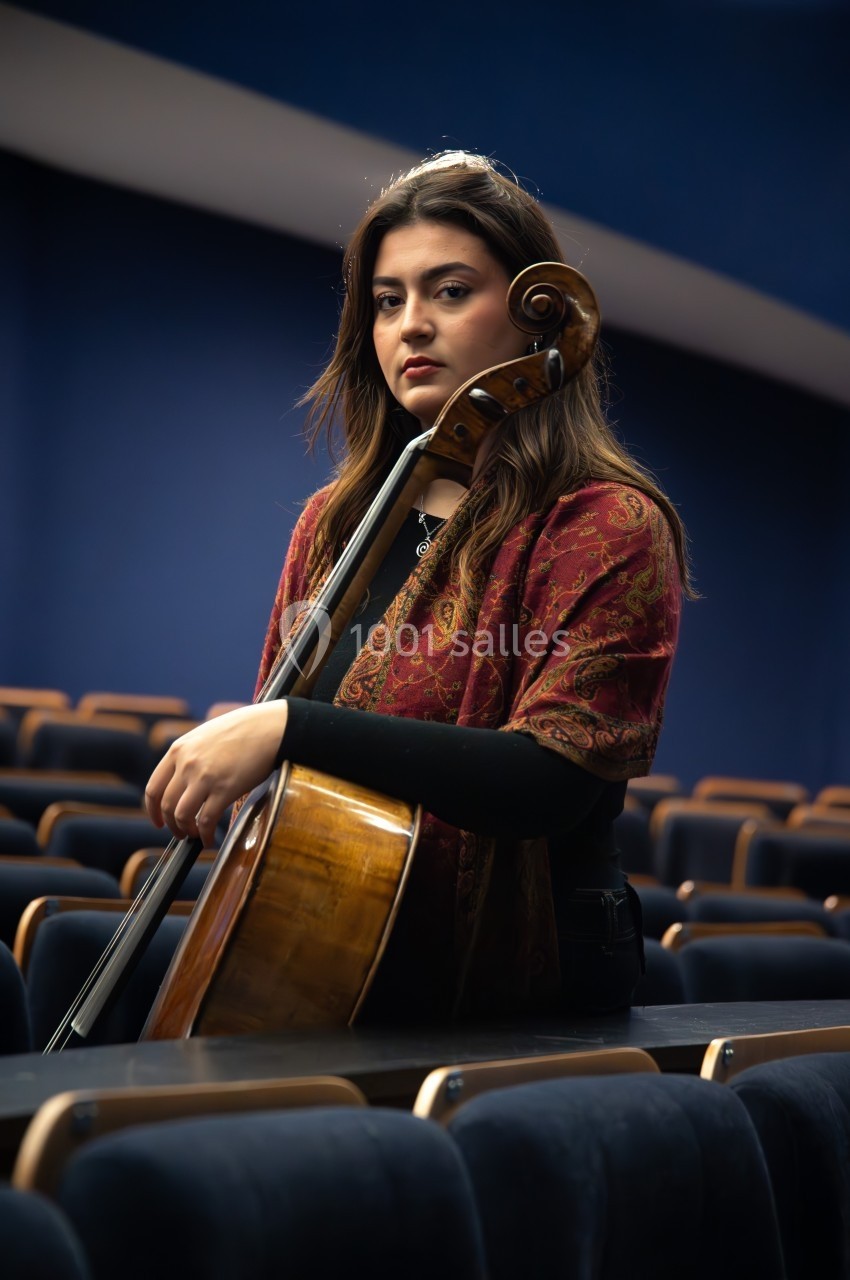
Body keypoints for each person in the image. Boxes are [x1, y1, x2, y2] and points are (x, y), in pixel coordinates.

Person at [145, 152, 692, 1025]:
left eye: (449, 290)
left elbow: (548, 780)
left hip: (524, 993)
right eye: (388, 300)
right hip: (332, 948)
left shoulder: (607, 525)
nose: (411, 326)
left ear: (533, 321)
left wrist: (291, 725)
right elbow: (288, 794)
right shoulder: (334, 523)